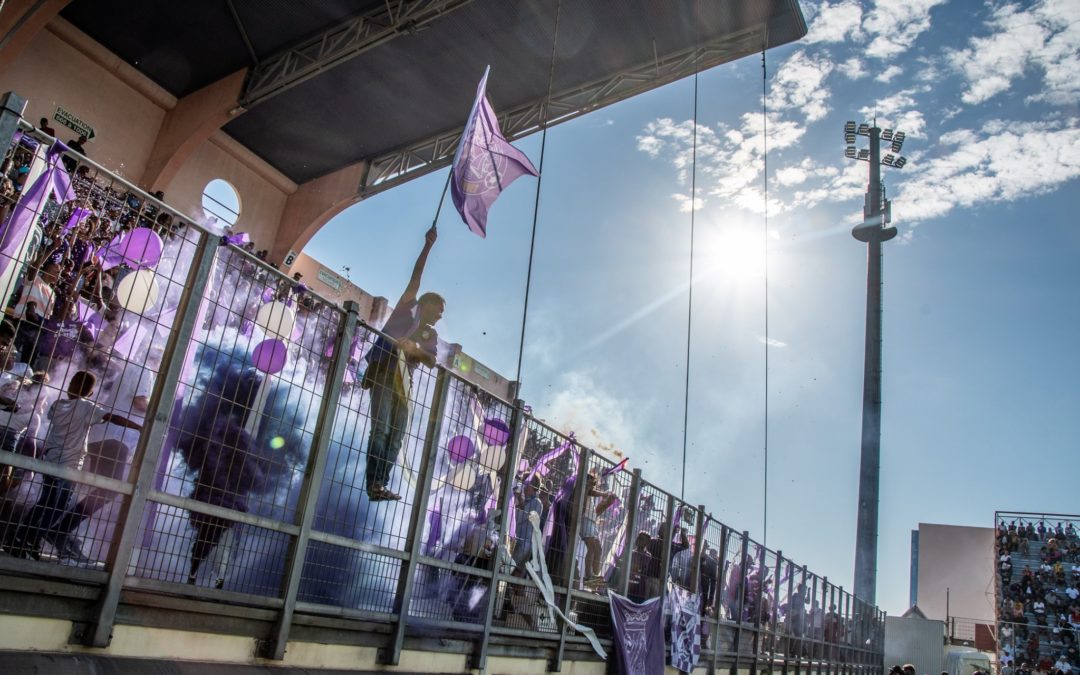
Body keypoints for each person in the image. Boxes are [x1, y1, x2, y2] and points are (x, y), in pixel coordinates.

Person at [9, 371, 142, 560]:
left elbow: (54, 417)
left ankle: (21, 537)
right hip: (69, 464)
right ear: (91, 393)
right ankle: (32, 538)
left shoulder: (57, 405)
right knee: (57, 506)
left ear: (70, 386)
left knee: (45, 502)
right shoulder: (87, 407)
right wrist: (137, 427)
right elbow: (112, 417)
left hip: (51, 460)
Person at [361, 225, 441, 501]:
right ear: (426, 304)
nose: (440, 317)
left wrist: (415, 349)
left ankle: (380, 484)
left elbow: (431, 361)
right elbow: (416, 277)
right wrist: (428, 246)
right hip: (384, 372)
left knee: (396, 436)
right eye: (438, 311)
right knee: (381, 429)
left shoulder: (431, 334)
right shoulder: (408, 307)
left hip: (406, 387)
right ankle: (373, 483)